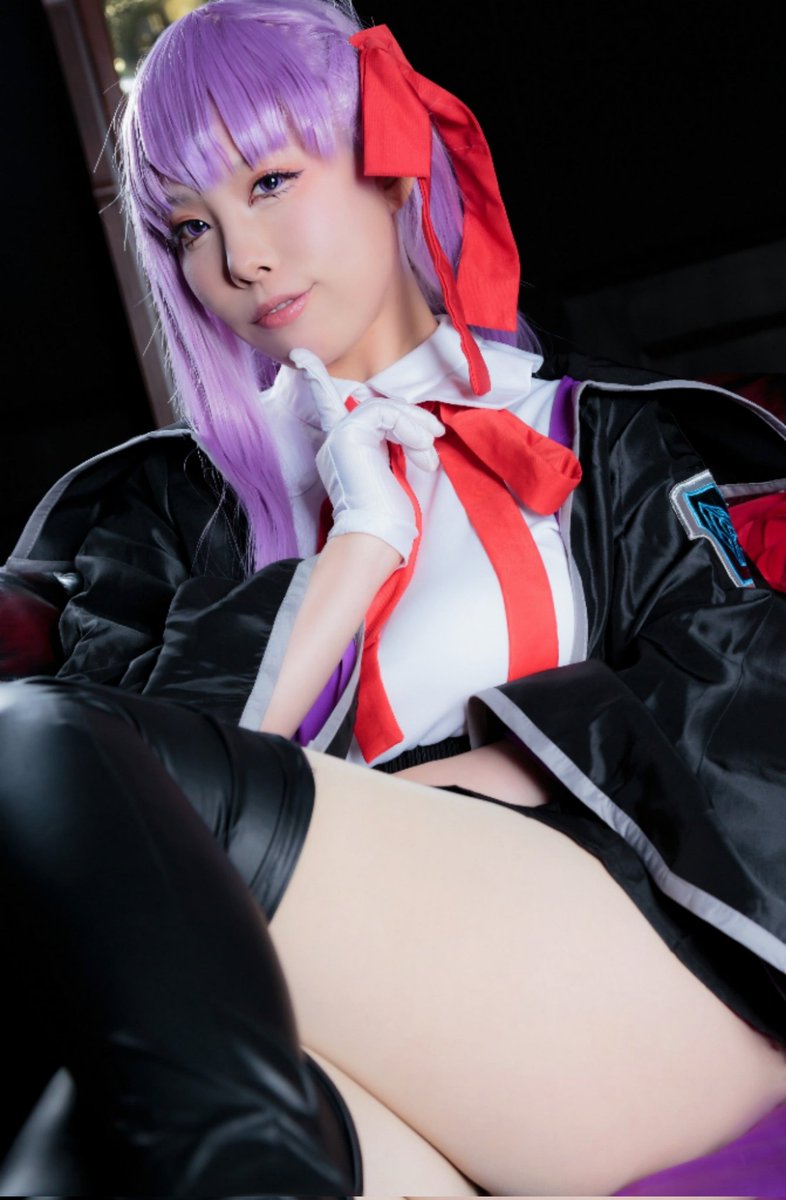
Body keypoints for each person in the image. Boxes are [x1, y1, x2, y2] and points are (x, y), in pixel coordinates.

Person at [1, 0, 785, 1194]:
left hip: (632, 997)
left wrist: (428, 788)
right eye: (191, 226)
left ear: (391, 160)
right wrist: (351, 554)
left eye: (271, 181)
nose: (239, 259)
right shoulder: (163, 517)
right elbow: (138, 820)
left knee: (36, 733)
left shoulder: (604, 438)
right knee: (81, 1149)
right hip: (347, 1042)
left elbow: (745, 716)